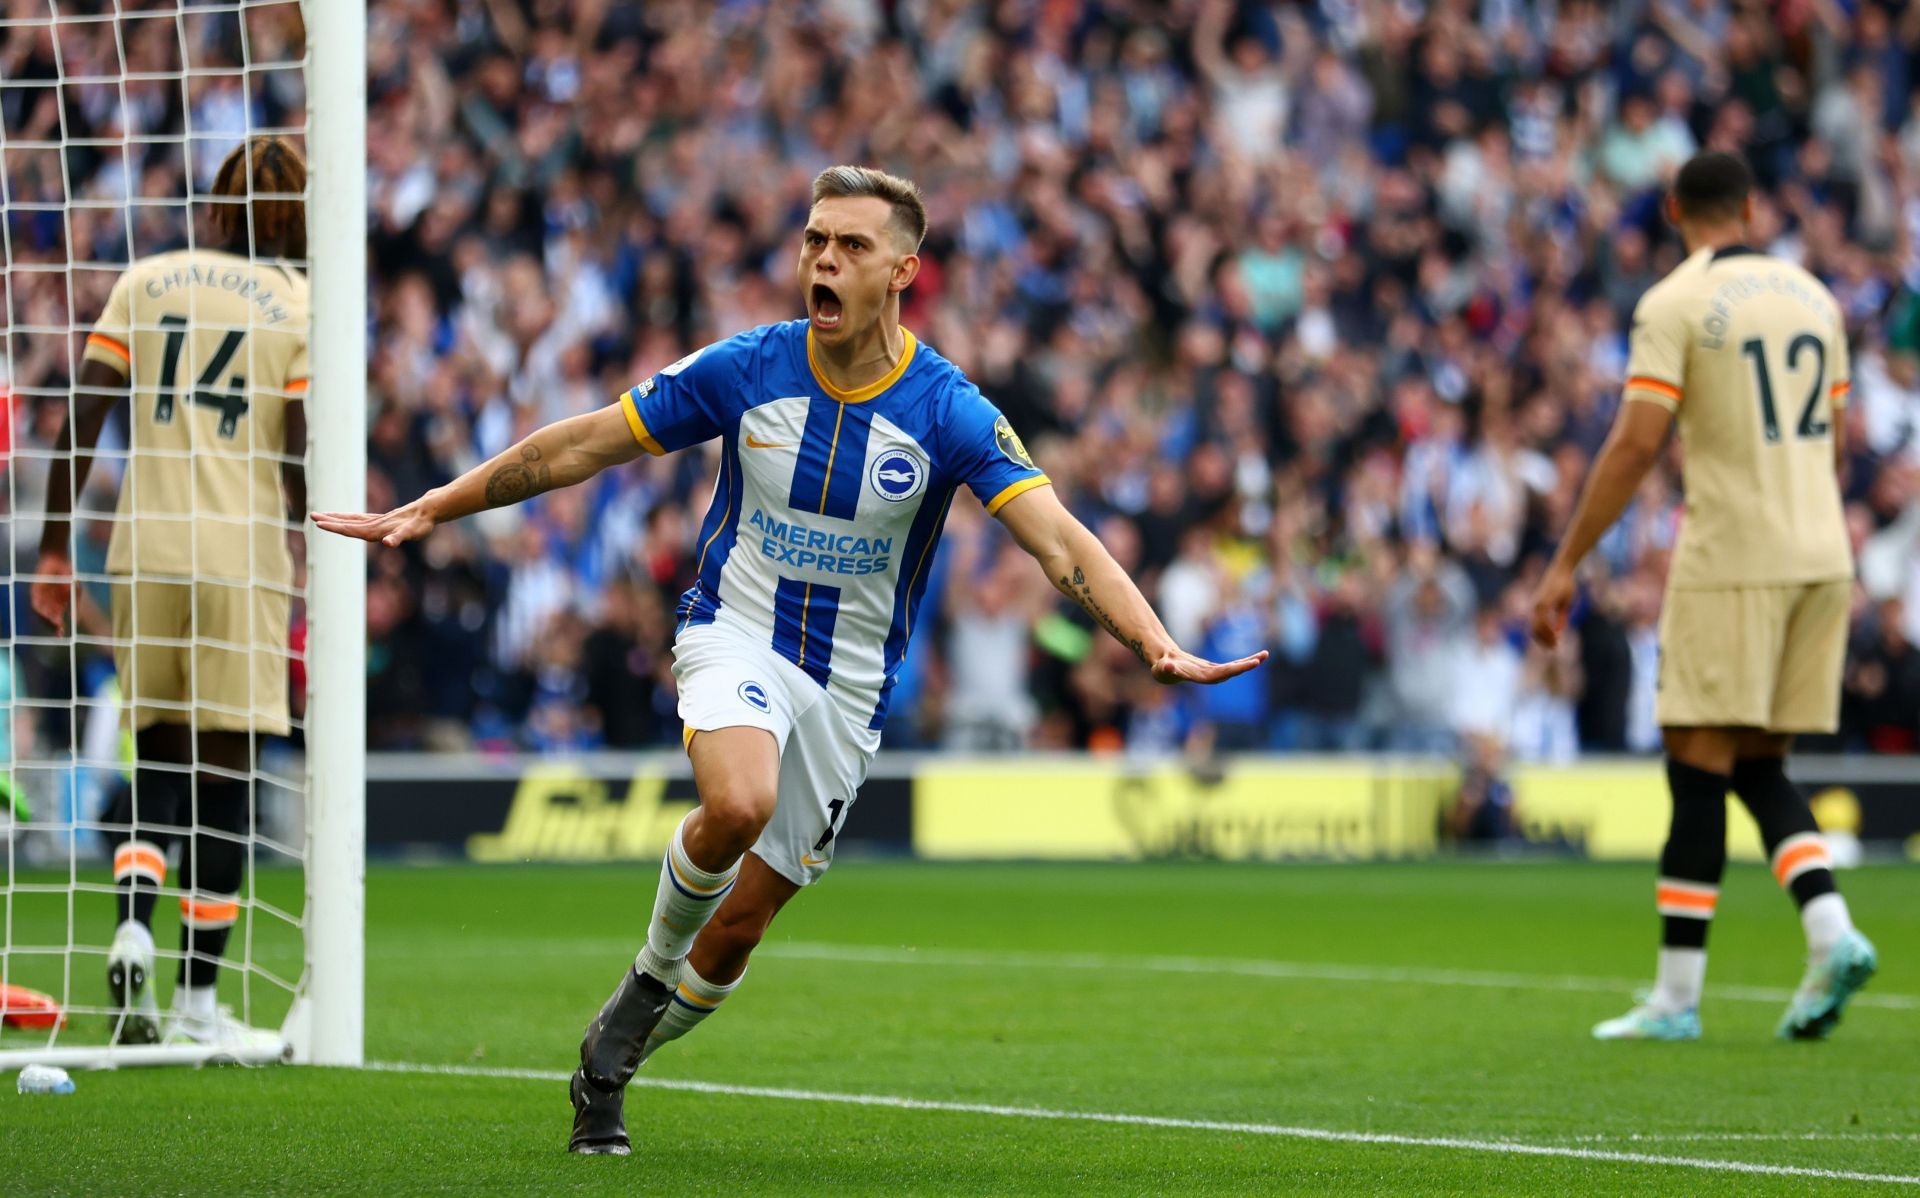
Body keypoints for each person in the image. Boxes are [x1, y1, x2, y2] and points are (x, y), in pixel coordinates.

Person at [316, 165, 1266, 1154]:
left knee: (737, 933)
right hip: (736, 630)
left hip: (849, 691)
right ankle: (645, 978)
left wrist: (1153, 639)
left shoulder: (948, 411)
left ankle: (617, 1049)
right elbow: (580, 447)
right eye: (816, 239)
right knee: (736, 800)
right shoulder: (747, 368)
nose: (823, 258)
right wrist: (436, 503)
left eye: (851, 246)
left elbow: (1060, 542)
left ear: (903, 270)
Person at [1530, 151, 1877, 1042]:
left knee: (1693, 758)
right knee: (1758, 763)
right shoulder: (1816, 296)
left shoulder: (1674, 302)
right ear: (1753, 209)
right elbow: (1838, 446)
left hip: (1734, 553)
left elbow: (1636, 443)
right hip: (1821, 552)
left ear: (1675, 209)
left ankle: (1677, 1001)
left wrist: (1567, 560)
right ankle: (1829, 932)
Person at [33, 136, 310, 1049]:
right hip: (240, 557)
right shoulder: (297, 305)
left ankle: (127, 932)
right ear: (296, 216)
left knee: (155, 764)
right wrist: (311, 542)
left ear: (216, 202)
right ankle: (197, 1002)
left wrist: (51, 550)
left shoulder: (145, 281)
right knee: (225, 788)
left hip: (142, 548)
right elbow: (301, 448)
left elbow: (84, 412)